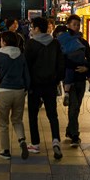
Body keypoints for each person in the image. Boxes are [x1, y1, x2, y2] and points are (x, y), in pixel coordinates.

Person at [0, 31, 30, 160]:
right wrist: (26, 90)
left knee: (3, 123)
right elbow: (27, 76)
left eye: (1, 40)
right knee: (17, 120)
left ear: (5, 42)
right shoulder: (21, 56)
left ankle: (5, 151)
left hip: (4, 92)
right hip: (19, 91)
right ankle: (22, 140)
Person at [24, 16, 65, 160]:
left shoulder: (31, 44)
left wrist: (26, 84)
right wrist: (57, 80)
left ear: (36, 28)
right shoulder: (54, 43)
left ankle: (35, 144)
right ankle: (55, 140)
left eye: (32, 27)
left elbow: (26, 65)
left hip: (35, 85)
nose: (31, 29)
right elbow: (61, 64)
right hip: (50, 84)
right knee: (52, 114)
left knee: (33, 115)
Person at [63, 14, 90, 147]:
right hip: (69, 79)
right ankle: (75, 135)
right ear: (68, 26)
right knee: (73, 106)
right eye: (74, 24)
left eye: (78, 24)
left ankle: (70, 130)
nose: (76, 27)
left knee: (76, 107)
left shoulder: (83, 42)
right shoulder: (64, 41)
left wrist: (86, 67)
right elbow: (61, 60)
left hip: (81, 78)